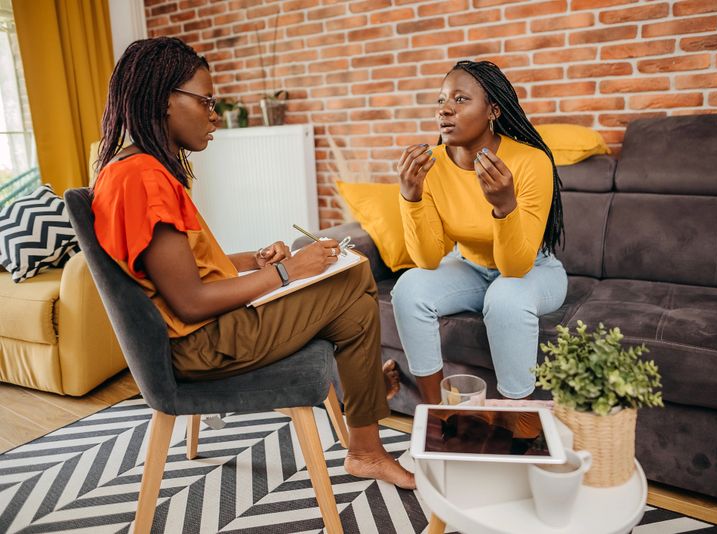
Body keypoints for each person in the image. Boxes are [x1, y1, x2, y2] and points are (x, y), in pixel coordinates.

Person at [91, 37, 414, 490]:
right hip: (204, 344)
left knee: (349, 294)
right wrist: (287, 272)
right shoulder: (143, 177)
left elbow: (182, 269)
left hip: (208, 333)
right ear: (165, 99)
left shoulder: (129, 169)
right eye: (205, 101)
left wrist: (253, 259)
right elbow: (190, 302)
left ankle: (362, 402)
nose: (214, 115)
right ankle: (364, 432)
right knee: (356, 277)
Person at [392, 60, 568, 404]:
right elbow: (427, 260)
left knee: (505, 297)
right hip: (468, 266)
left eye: (460, 100)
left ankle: (517, 426)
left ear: (493, 110)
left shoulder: (530, 161)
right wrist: (410, 197)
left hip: (534, 269)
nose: (445, 109)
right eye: (441, 100)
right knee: (409, 287)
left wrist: (505, 207)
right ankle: (437, 412)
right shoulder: (432, 164)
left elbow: (514, 269)